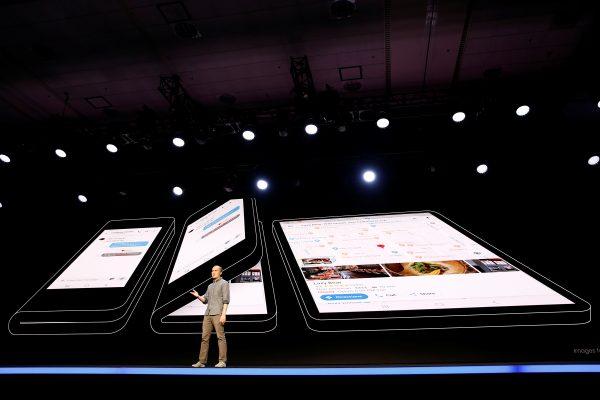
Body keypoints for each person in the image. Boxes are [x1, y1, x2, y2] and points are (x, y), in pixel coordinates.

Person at [189, 265, 230, 368]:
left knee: (220, 337)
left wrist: (223, 315)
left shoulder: (224, 283)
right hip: (208, 314)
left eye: (216, 270)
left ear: (220, 272)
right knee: (204, 338)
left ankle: (222, 361)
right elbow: (205, 301)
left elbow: (226, 300)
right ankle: (201, 362)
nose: (213, 272)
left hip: (218, 314)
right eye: (212, 270)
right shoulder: (210, 286)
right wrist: (198, 296)